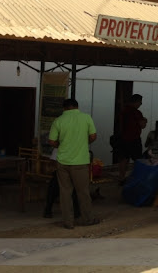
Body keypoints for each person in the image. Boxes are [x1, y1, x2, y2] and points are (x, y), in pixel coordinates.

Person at [48, 98, 99, 229]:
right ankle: (88, 219)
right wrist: (82, 142)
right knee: (83, 192)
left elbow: (52, 141)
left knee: (65, 193)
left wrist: (62, 144)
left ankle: (68, 222)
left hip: (62, 162)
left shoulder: (58, 120)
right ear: (77, 107)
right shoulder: (86, 118)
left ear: (64, 108)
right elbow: (93, 136)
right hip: (80, 162)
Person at [43, 149, 80, 219]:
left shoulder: (74, 146)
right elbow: (52, 164)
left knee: (74, 190)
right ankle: (48, 209)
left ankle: (76, 211)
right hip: (61, 172)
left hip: (70, 172)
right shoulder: (58, 148)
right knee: (53, 187)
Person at [118, 94, 147, 183]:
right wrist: (145, 120)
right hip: (134, 139)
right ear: (136, 102)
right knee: (138, 160)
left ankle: (121, 178)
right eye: (140, 102)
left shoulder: (123, 111)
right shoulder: (136, 112)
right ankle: (136, 178)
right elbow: (142, 125)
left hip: (123, 138)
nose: (140, 104)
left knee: (124, 159)